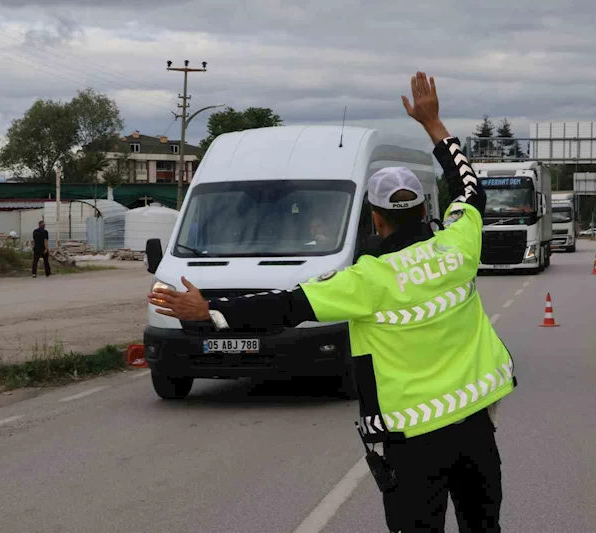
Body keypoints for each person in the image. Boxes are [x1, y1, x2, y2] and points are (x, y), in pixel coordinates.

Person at [148, 71, 516, 532]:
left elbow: (286, 306)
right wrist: (434, 124)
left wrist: (211, 311)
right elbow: (469, 187)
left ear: (376, 220)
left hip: (410, 440)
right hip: (475, 428)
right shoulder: (459, 248)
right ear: (424, 210)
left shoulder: (365, 280)